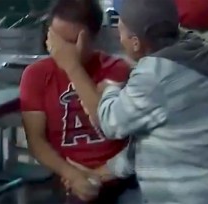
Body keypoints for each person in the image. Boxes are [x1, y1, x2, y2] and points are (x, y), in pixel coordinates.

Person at [60, 0, 208, 203]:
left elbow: (110, 123)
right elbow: (147, 143)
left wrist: (78, 69)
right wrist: (99, 174)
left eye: (121, 32)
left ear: (136, 42)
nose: (119, 39)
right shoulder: (187, 59)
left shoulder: (156, 75)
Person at [20, 0, 132, 203]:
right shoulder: (35, 75)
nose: (59, 50)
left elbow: (107, 122)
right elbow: (36, 141)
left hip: (116, 175)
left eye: (70, 42)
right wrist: (72, 175)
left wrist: (72, 67)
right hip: (67, 177)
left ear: (95, 38)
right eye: (56, 39)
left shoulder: (115, 68)